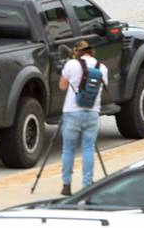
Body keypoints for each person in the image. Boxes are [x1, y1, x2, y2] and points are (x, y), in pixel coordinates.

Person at [57, 40, 106, 196]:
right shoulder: (102, 67)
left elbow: (62, 86)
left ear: (77, 51)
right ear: (91, 51)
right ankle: (87, 185)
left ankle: (66, 185)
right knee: (88, 149)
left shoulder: (71, 64)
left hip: (72, 112)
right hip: (92, 113)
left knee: (68, 149)